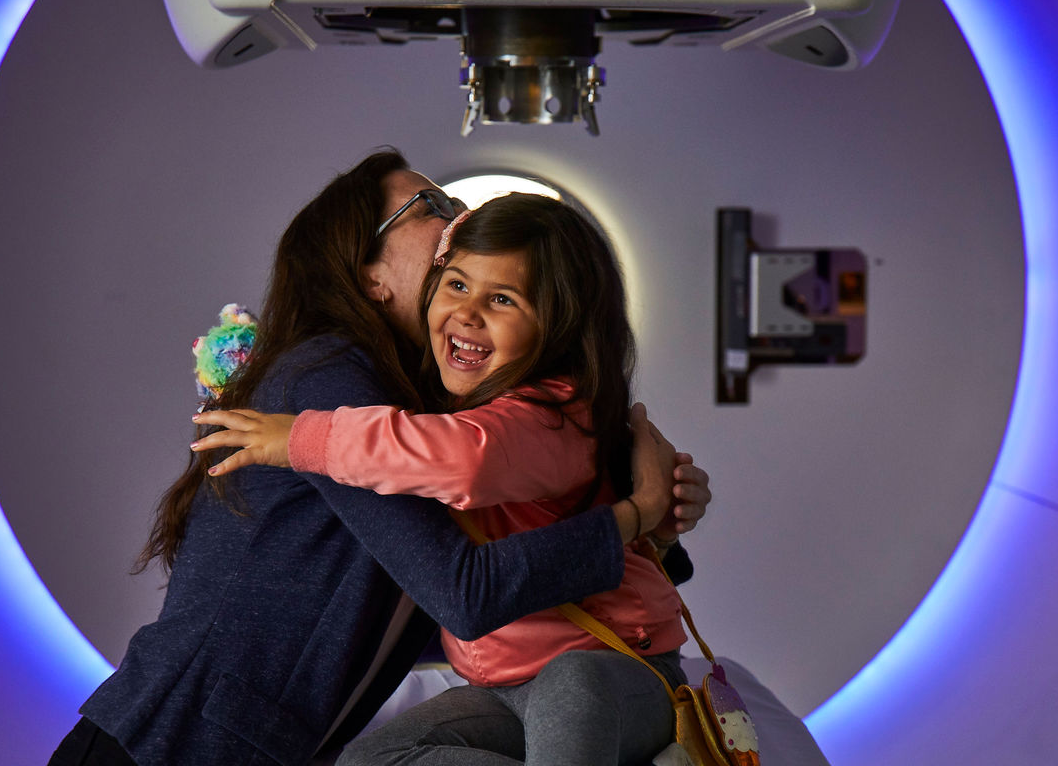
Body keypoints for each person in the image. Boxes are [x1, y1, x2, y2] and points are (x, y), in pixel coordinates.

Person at [48, 148, 710, 766]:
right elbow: (461, 590)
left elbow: (406, 600)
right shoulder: (327, 377)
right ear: (369, 275)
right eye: (432, 208)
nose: (459, 219)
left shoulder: (438, 407)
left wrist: (659, 527)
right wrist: (634, 515)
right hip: (169, 745)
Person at [191, 193, 689, 765]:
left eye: (501, 298)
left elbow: (463, 460)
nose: (468, 311)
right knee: (370, 761)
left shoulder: (550, 414)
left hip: (616, 667)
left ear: (560, 327)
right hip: (503, 689)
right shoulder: (459, 406)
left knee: (573, 687)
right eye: (455, 284)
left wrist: (303, 438)